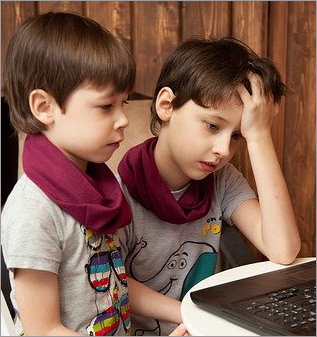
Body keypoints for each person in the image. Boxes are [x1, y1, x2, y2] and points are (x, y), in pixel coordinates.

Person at [1, 12, 188, 336]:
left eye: (123, 103)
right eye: (105, 107)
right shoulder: (34, 211)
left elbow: (115, 283)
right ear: (44, 107)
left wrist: (190, 313)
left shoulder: (100, 190)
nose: (123, 120)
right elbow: (43, 330)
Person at [117, 37, 302, 335]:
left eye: (236, 136)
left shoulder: (223, 180)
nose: (223, 150)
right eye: (213, 126)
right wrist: (188, 315)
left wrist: (259, 136)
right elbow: (117, 281)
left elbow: (283, 249)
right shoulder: (117, 192)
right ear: (166, 106)